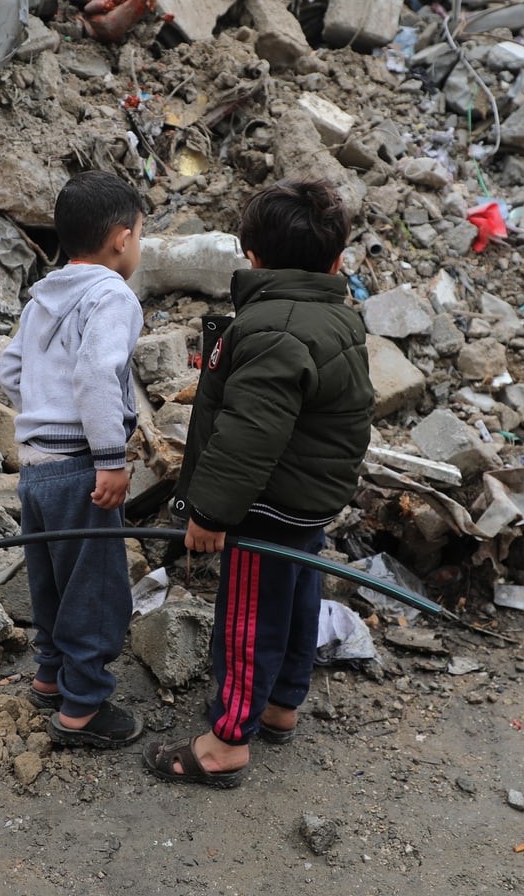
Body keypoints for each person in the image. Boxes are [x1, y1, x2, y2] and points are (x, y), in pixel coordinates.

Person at [144, 179, 373, 787]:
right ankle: (280, 704)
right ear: (336, 261)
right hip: (307, 501)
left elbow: (250, 434)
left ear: (252, 256)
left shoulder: (273, 329)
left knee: (248, 617)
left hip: (266, 504)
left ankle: (225, 742)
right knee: (296, 596)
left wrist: (212, 513)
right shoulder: (335, 316)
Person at [0, 170, 149, 749]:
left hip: (36, 468)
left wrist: (40, 411)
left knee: (51, 579)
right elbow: (95, 373)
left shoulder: (46, 295)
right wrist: (109, 459)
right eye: (139, 233)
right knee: (97, 588)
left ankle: (50, 676)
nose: (137, 245)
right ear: (118, 238)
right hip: (81, 466)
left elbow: (10, 370)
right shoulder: (112, 294)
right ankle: (83, 709)